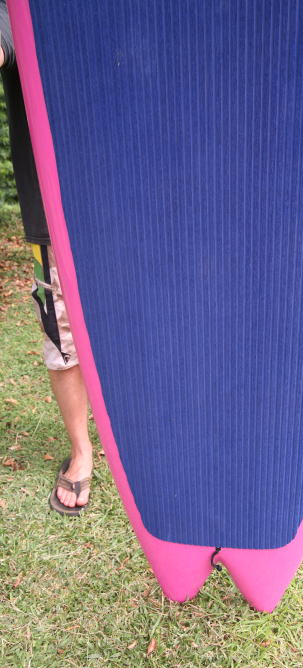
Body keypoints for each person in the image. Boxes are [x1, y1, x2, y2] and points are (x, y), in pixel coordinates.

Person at [1, 1, 92, 515]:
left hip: (136, 209)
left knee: (145, 331)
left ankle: (146, 447)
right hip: (48, 211)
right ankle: (82, 452)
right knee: (61, 334)